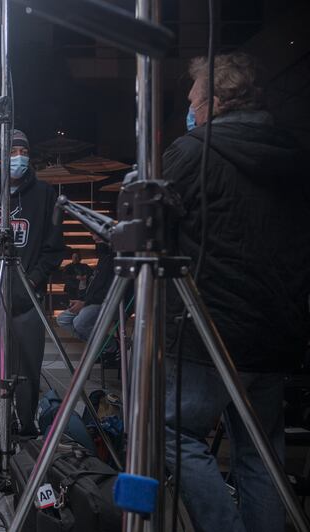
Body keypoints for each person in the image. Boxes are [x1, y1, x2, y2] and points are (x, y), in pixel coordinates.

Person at [163, 52, 310, 532]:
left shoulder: (191, 153)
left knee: (174, 432)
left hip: (210, 331)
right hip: (276, 334)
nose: (188, 106)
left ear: (214, 100)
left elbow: (155, 232)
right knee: (261, 453)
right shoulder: (293, 155)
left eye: (192, 98)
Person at [0, 129, 65, 437]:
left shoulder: (45, 195)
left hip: (25, 301)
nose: (18, 157)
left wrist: (31, 282)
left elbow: (53, 249)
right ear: (0, 154)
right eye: (12, 151)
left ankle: (25, 430)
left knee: (27, 371)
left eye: (23, 150)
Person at [56, 236, 112, 342]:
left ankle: (110, 346)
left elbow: (107, 289)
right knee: (62, 319)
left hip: (102, 302)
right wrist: (81, 300)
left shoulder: (111, 260)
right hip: (81, 294)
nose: (95, 238)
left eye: (98, 239)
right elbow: (66, 276)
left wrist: (84, 302)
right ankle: (97, 345)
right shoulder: (102, 259)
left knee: (79, 322)